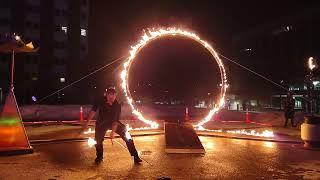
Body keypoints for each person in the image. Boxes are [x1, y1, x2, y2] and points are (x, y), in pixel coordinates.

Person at [82, 87, 142, 164]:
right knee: (98, 141)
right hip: (101, 123)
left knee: (128, 136)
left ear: (115, 96)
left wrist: (112, 132)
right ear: (106, 95)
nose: (111, 99)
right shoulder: (100, 100)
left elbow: (115, 121)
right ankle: (99, 156)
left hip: (113, 122)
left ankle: (135, 156)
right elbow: (93, 111)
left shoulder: (117, 105)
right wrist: (87, 123)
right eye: (109, 97)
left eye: (113, 97)